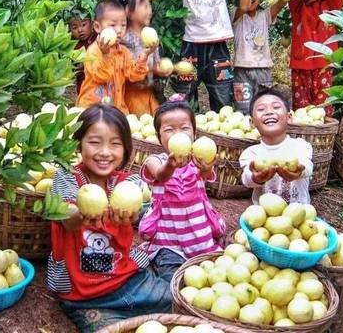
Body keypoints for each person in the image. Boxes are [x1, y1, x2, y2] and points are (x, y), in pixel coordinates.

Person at [47, 104, 171, 331]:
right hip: (83, 296)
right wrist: (82, 213)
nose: (105, 152)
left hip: (127, 281)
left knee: (176, 300)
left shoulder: (128, 183)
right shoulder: (66, 178)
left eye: (115, 144)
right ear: (78, 144)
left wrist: (131, 215)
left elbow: (136, 212)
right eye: (95, 142)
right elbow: (66, 217)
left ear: (125, 149)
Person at [138, 96, 226, 281]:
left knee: (215, 275)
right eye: (169, 130)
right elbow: (160, 176)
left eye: (184, 128)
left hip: (199, 237)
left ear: (194, 133)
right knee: (173, 278)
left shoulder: (198, 159)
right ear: (158, 137)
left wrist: (208, 166)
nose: (178, 134)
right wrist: (171, 164)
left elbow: (206, 175)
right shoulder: (156, 160)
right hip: (168, 242)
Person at [158, 0, 248, 112]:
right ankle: (187, 126)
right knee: (186, 91)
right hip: (191, 47)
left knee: (222, 92)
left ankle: (223, 130)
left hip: (217, 47)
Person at [76, 0, 157, 114]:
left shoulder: (123, 51)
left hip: (117, 108)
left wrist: (145, 55)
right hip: (92, 109)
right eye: (113, 25)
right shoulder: (93, 51)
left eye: (123, 25)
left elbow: (134, 75)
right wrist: (105, 55)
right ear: (98, 27)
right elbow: (101, 76)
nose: (119, 30)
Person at [289, 0, 343, 116]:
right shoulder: (298, 5)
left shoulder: (332, 5)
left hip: (324, 65)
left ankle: (323, 139)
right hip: (301, 65)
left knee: (322, 110)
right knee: (301, 110)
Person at [239, 88, 313, 204]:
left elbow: (308, 167)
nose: (269, 112)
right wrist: (255, 178)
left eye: (276, 107)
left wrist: (299, 171)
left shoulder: (301, 146)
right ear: (252, 122)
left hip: (299, 214)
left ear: (289, 117)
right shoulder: (251, 153)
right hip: (266, 217)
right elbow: (246, 179)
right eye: (261, 109)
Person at [232, 0, 291, 113]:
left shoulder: (264, 16)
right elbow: (243, 7)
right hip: (242, 71)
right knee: (243, 109)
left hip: (263, 70)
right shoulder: (237, 15)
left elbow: (281, 3)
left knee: (265, 105)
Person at [119, 0, 172, 116]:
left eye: (149, 6)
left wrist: (162, 71)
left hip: (150, 94)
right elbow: (128, 71)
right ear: (128, 12)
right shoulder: (124, 40)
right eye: (144, 7)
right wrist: (154, 70)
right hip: (131, 96)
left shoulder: (150, 34)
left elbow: (156, 64)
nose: (149, 11)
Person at [69, 17, 97, 95]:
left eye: (84, 25)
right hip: (83, 84)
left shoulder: (98, 38)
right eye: (74, 27)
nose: (80, 30)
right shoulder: (72, 45)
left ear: (92, 24)